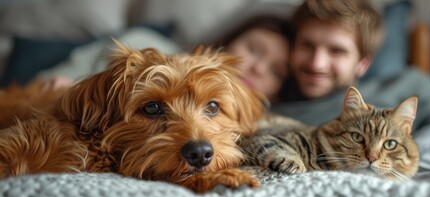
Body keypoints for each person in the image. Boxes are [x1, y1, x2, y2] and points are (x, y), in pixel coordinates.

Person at [271, 0, 430, 132]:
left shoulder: (411, 87)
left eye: (337, 51)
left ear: (363, 63)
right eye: (307, 45)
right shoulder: (268, 108)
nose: (317, 64)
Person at [41, 15, 291, 103]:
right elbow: (50, 81)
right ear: (229, 40)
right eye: (254, 49)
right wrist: (64, 86)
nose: (258, 68)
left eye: (277, 72)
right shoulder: (141, 42)